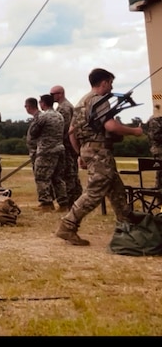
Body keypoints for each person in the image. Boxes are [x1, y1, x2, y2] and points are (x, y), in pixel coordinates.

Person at [56, 68, 144, 246]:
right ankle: (68, 225)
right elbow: (111, 126)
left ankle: (126, 224)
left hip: (90, 150)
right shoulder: (100, 101)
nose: (112, 87)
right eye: (111, 83)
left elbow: (71, 131)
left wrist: (80, 152)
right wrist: (134, 131)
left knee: (116, 189)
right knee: (95, 192)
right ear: (104, 82)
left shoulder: (82, 102)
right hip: (99, 152)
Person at [24, 95, 68, 213]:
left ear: (42, 103)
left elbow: (33, 132)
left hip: (46, 151)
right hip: (59, 149)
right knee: (58, 178)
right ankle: (63, 204)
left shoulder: (43, 116)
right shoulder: (59, 116)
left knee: (42, 177)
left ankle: (46, 204)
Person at [50, 84, 82, 206]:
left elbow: (66, 129)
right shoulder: (64, 107)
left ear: (60, 94)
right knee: (72, 172)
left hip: (67, 145)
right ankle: (77, 198)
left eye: (53, 94)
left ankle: (71, 199)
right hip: (67, 145)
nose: (51, 96)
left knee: (69, 172)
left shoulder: (64, 108)